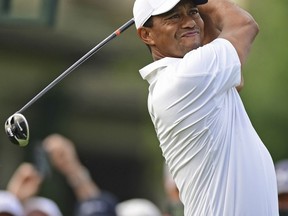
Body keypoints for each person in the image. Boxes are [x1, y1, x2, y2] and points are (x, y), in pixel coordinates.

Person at [133, 0, 279, 215]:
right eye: (173, 17)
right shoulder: (184, 77)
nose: (189, 22)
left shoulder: (195, 74)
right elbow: (243, 24)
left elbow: (236, 82)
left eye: (193, 11)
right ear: (147, 35)